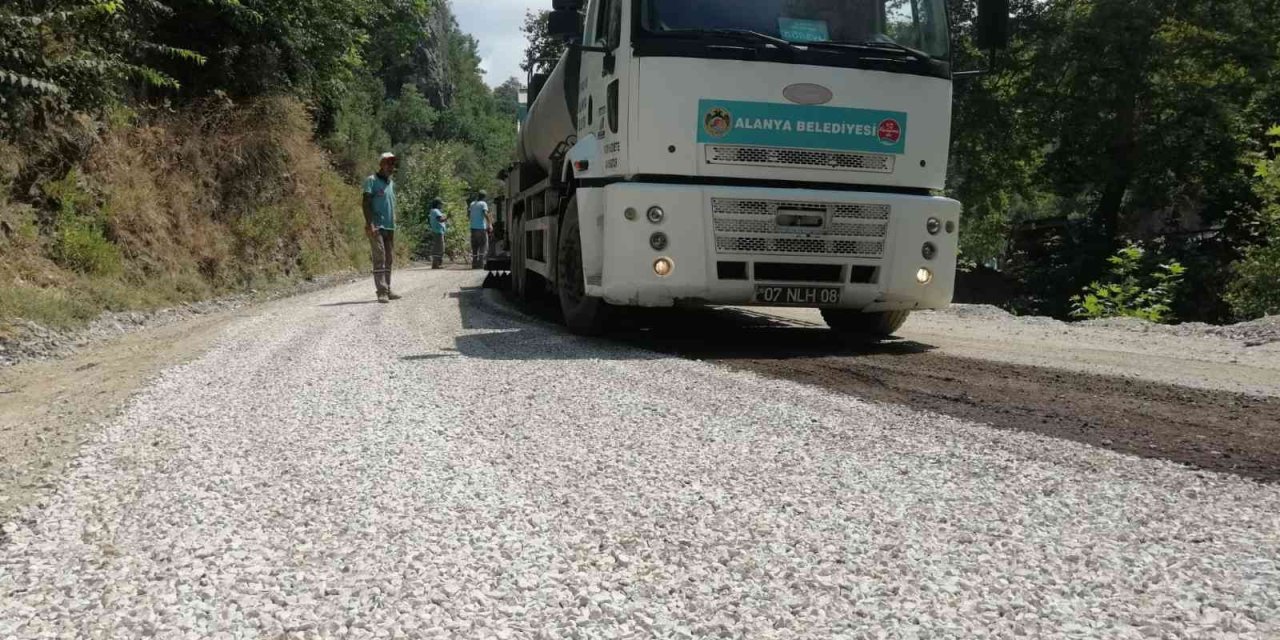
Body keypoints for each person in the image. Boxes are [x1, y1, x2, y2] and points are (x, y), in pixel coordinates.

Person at [362, 152, 401, 303]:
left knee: (389, 258)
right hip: (376, 225)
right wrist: (369, 223)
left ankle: (388, 289)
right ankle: (382, 292)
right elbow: (366, 203)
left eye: (393, 164)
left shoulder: (391, 183)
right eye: (388, 163)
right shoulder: (371, 181)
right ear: (381, 164)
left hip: (390, 227)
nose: (391, 166)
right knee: (380, 258)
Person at [468, 191, 492, 269]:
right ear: (484, 197)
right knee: (483, 245)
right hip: (481, 228)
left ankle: (474, 264)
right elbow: (485, 213)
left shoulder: (472, 204)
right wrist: (490, 224)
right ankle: (481, 264)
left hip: (473, 228)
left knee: (474, 247)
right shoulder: (483, 204)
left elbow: (469, 214)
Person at [427, 198, 448, 269]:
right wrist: (448, 217)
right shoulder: (436, 211)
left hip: (437, 231)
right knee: (439, 248)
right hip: (438, 232)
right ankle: (436, 264)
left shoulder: (433, 211)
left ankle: (438, 264)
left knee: (439, 247)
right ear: (437, 204)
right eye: (441, 204)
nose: (441, 205)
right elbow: (440, 220)